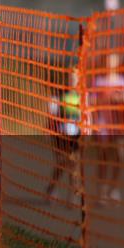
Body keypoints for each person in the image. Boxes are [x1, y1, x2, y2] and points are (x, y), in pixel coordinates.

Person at [90, 53, 124, 204]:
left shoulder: (122, 81)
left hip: (120, 125)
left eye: (113, 62)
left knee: (120, 155)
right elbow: (91, 101)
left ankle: (113, 188)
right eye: (108, 62)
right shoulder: (98, 81)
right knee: (103, 158)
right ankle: (102, 192)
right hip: (103, 124)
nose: (110, 65)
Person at [45, 67, 83, 203]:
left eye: (75, 77)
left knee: (74, 163)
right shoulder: (59, 95)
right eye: (70, 77)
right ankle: (51, 188)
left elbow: (86, 117)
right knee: (62, 163)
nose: (72, 80)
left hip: (75, 135)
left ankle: (73, 194)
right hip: (61, 135)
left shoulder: (82, 96)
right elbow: (51, 115)